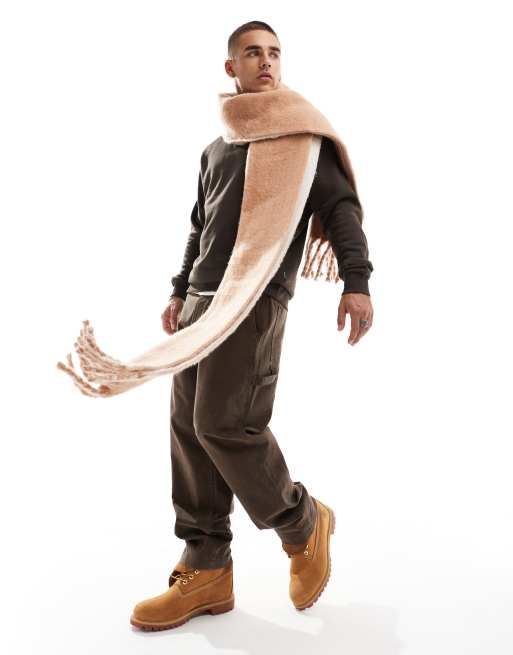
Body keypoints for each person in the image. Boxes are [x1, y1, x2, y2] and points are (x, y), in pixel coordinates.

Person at [130, 20, 374, 631]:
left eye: (274, 53)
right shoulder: (218, 148)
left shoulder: (303, 138)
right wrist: (179, 291)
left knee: (225, 423)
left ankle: (302, 522)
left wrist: (357, 280)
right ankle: (206, 566)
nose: (266, 62)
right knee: (189, 429)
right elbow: (200, 225)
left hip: (255, 299)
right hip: (201, 306)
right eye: (252, 53)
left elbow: (340, 208)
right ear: (231, 68)